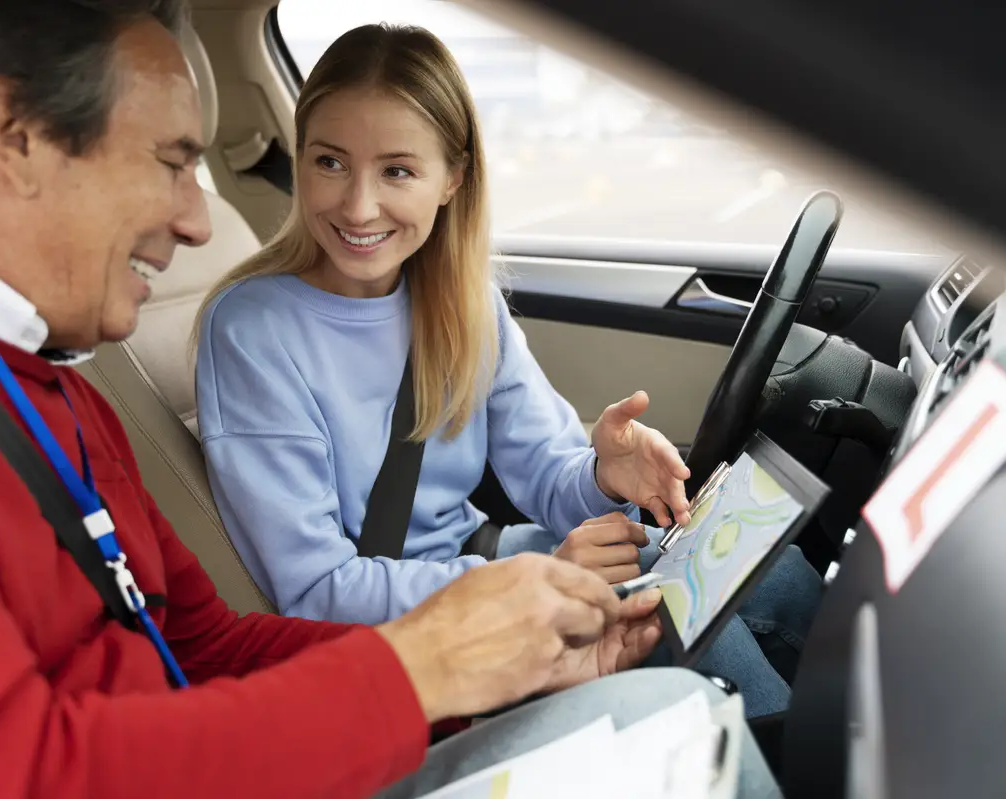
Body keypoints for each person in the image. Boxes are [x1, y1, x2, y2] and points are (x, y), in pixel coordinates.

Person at [0, 0, 783, 797]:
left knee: (682, 703)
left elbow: (206, 642)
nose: (199, 221)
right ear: (15, 135)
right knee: (692, 733)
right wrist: (426, 667)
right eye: (173, 162)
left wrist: (495, 669)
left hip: (245, 753)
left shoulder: (44, 381)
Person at [195, 23, 823, 718]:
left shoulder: (465, 305)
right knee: (702, 639)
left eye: (397, 170)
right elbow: (316, 590)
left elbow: (547, 475)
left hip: (487, 566)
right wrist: (534, 581)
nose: (358, 205)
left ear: (451, 179)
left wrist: (602, 474)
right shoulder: (254, 331)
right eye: (330, 162)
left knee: (776, 574)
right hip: (418, 642)